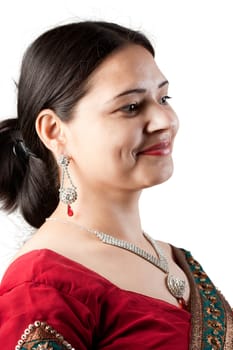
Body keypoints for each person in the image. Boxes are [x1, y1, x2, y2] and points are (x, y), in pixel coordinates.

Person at [0, 21, 232, 350]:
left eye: (164, 98)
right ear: (54, 131)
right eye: (131, 107)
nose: (165, 120)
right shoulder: (42, 285)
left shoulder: (175, 259)